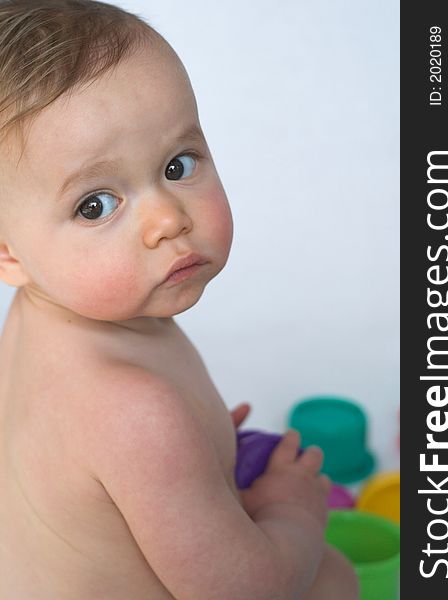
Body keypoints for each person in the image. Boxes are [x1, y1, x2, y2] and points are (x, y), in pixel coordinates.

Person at [0, 1, 359, 598]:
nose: (168, 219)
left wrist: (195, 457)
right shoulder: (136, 414)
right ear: (8, 252)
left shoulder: (45, 317)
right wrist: (291, 510)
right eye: (96, 204)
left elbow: (82, 475)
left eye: (177, 163)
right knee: (331, 578)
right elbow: (249, 591)